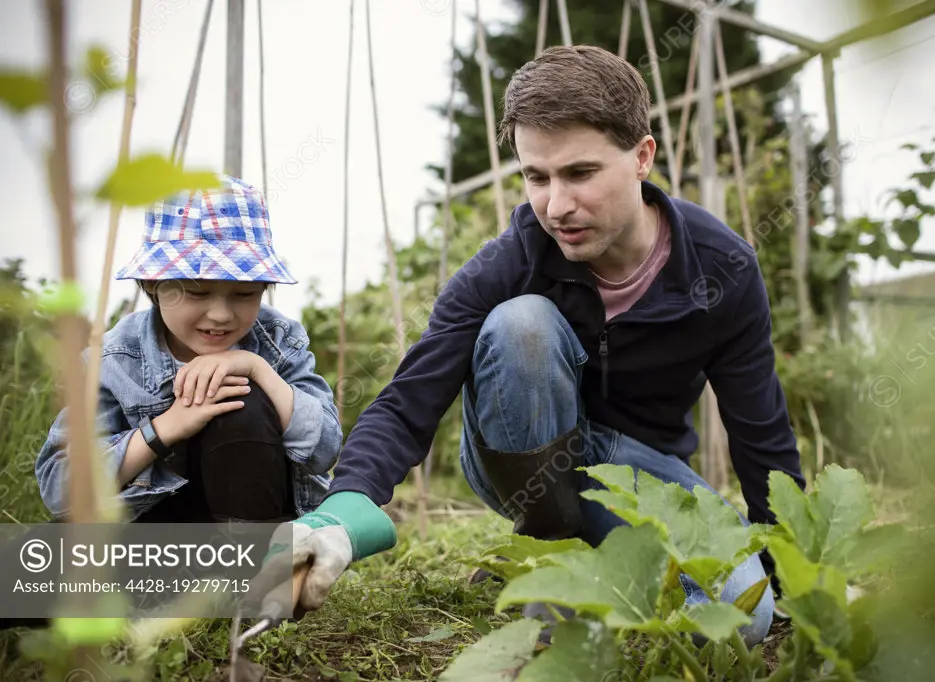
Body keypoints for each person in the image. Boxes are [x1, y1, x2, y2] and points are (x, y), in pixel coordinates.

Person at [265, 45, 807, 647]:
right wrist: (341, 514)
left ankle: (574, 575)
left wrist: (792, 579)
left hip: (637, 472)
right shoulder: (510, 261)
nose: (556, 205)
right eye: (535, 176)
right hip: (514, 454)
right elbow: (408, 400)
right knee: (524, 323)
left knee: (741, 621)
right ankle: (546, 551)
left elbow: (761, 434)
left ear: (642, 157)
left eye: (580, 173)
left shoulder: (721, 268)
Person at [34, 175, 342, 524]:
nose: (221, 315)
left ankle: (258, 570)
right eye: (196, 293)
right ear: (153, 283)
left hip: (254, 518)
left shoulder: (278, 342)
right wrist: (165, 428)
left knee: (243, 399)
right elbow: (59, 490)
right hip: (158, 526)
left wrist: (255, 368)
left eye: (244, 295)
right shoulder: (113, 359)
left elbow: (325, 450)